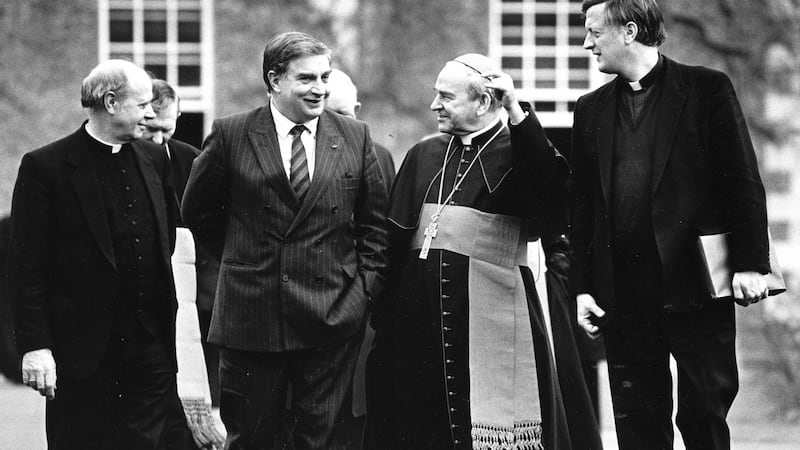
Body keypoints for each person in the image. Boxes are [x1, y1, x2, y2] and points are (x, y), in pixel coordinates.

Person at [370, 53, 601, 449]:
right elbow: (392, 242)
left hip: (490, 322)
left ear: (482, 103)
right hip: (420, 326)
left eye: (446, 97)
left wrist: (515, 110)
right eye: (435, 95)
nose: (433, 105)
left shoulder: (520, 151)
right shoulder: (423, 154)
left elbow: (550, 194)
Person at [570, 1, 771, 448]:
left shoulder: (706, 88)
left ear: (628, 31)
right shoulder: (590, 110)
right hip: (623, 296)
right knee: (638, 426)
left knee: (704, 417)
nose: (586, 44)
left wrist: (752, 264)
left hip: (696, 287)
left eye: (593, 33)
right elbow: (582, 210)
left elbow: (743, 181)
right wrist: (582, 286)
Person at [181, 32, 388, 449]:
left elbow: (375, 230)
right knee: (253, 439)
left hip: (331, 316)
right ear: (275, 81)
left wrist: (359, 296)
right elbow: (198, 214)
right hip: (252, 318)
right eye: (307, 78)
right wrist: (249, 261)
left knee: (319, 440)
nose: (320, 89)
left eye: (324, 77)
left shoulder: (355, 136)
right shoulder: (231, 134)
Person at [9, 59, 191, 449]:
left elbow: (167, 244)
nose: (150, 113)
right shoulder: (46, 167)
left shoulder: (155, 159)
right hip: (82, 355)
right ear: (110, 102)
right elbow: (26, 268)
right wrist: (35, 346)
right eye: (142, 104)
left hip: (150, 350)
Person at [144, 78, 225, 450]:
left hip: (195, 295)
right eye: (150, 131)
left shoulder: (192, 159)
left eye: (167, 130)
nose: (159, 141)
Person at [323, 68, 395, 450]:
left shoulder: (378, 156)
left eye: (345, 115)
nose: (336, 127)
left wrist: (367, 290)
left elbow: (383, 232)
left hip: (359, 302)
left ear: (358, 111)